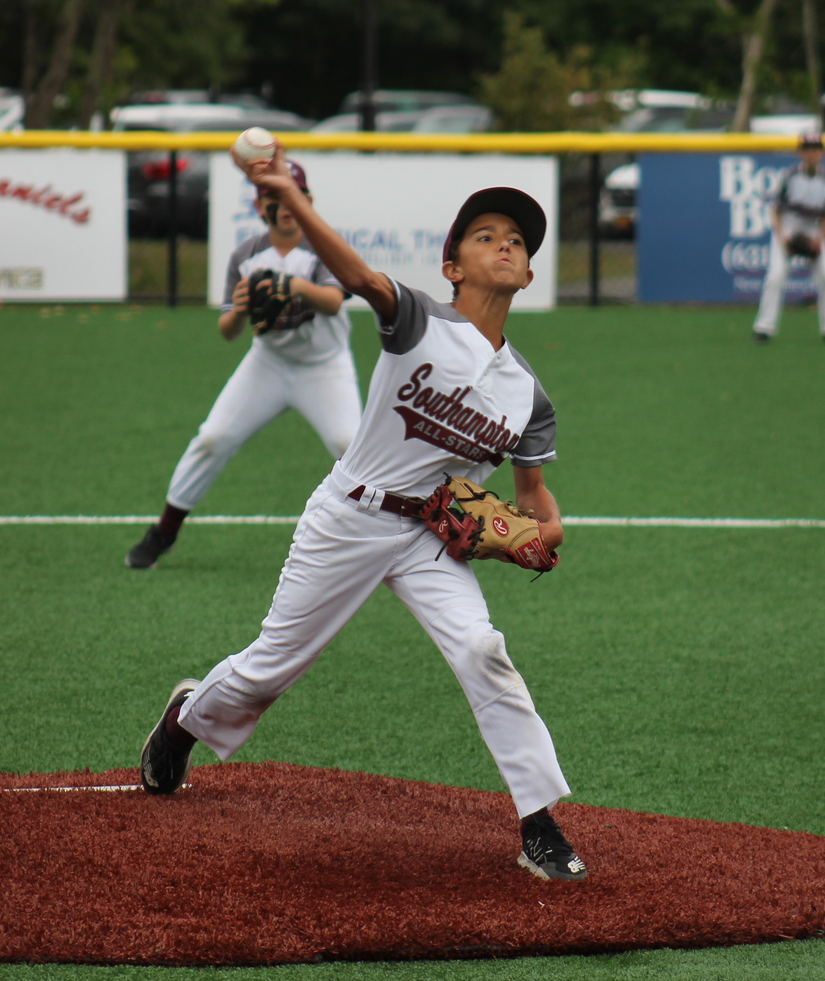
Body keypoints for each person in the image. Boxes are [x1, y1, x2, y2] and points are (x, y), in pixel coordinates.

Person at [138, 146, 588, 882]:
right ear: (453, 268)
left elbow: (534, 496)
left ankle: (538, 823)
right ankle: (184, 721)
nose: (505, 244)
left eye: (517, 241)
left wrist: (547, 530)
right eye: (485, 236)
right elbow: (354, 276)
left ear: (529, 274)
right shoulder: (417, 321)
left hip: (432, 538)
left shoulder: (528, 397)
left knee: (484, 652)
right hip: (350, 516)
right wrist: (290, 194)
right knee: (269, 670)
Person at [126, 160, 362, 569]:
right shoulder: (246, 256)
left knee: (352, 447)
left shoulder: (324, 248)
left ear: (308, 201)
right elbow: (228, 331)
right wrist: (240, 308)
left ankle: (369, 542)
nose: (285, 203)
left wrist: (295, 286)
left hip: (325, 366)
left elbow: (333, 301)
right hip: (268, 364)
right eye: (274, 196)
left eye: (292, 194)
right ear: (258, 205)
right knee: (212, 438)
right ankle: (164, 531)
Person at [752, 132, 825, 345]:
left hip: (812, 232)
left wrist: (820, 239)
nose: (812, 153)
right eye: (808, 149)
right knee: (776, 276)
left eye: (816, 149)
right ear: (800, 153)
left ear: (823, 153)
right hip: (788, 229)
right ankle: (763, 328)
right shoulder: (790, 176)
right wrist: (783, 238)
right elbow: (775, 210)